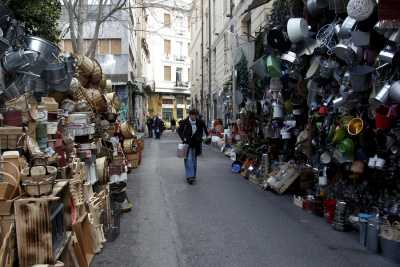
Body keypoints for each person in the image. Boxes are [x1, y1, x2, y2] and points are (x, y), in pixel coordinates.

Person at [178, 109, 207, 184]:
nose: (194, 117)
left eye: (195, 115)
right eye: (193, 115)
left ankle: (193, 175)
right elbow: (179, 130)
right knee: (188, 159)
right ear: (190, 115)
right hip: (187, 143)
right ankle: (189, 176)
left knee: (194, 160)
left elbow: (205, 130)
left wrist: (205, 137)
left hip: (196, 143)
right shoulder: (185, 122)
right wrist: (183, 138)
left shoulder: (200, 122)